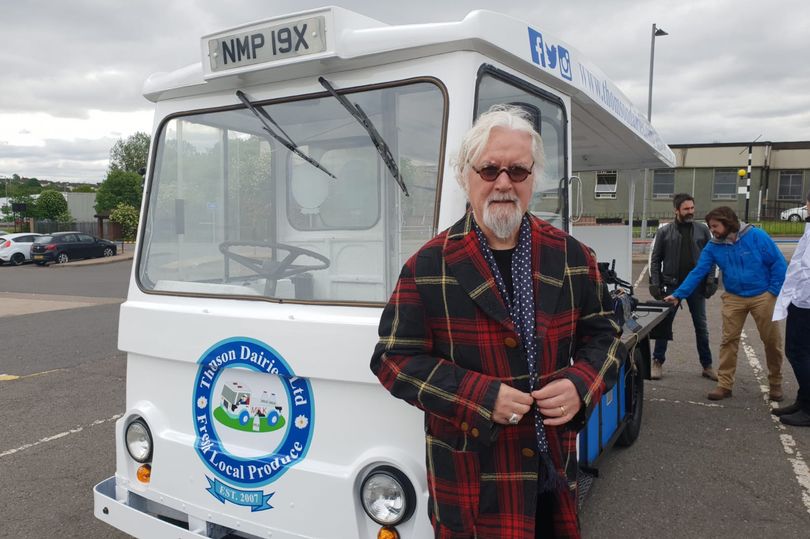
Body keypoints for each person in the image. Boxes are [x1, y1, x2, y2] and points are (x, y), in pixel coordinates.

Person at [370, 105, 624, 539]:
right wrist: (480, 397)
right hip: (470, 482)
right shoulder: (428, 264)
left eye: (517, 171)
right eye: (489, 170)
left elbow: (606, 336)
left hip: (551, 474)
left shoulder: (572, 256)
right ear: (465, 175)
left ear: (533, 178)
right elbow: (393, 360)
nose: (503, 183)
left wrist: (582, 383)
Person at [664, 206, 786, 401]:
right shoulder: (714, 246)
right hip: (733, 297)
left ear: (728, 223)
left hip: (763, 295)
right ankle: (725, 385)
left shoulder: (757, 236)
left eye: (715, 226)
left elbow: (778, 263)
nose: (713, 230)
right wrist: (679, 294)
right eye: (711, 227)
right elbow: (698, 272)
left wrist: (773, 291)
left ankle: (776, 384)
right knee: (728, 341)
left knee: (772, 341)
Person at [648, 193, 717, 381]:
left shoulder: (703, 230)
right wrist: (655, 283)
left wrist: (711, 280)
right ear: (676, 210)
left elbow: (711, 258)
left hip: (696, 286)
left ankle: (707, 365)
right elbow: (656, 260)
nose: (690, 212)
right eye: (686, 209)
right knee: (664, 325)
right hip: (672, 285)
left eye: (692, 208)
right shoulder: (664, 232)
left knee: (701, 326)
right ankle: (657, 362)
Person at [771, 191, 810, 426]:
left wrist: (795, 295)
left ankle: (808, 408)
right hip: (801, 300)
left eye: (808, 203)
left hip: (806, 302)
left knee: (797, 353)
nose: (805, 207)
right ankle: (802, 400)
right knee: (803, 353)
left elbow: (804, 268)